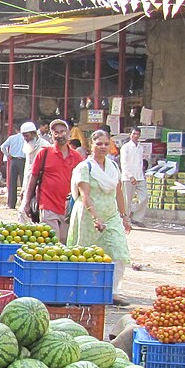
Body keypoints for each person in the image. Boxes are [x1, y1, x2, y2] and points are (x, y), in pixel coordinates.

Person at [69, 129, 132, 303]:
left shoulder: (113, 167)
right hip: (88, 217)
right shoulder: (85, 168)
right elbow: (85, 195)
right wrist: (95, 218)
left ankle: (113, 292)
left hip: (111, 216)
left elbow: (118, 192)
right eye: (99, 144)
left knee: (119, 252)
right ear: (91, 145)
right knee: (85, 254)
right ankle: (84, 291)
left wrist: (124, 216)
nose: (103, 147)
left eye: (106, 144)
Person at [23, 118, 84, 243]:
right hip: (47, 205)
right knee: (51, 241)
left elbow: (82, 181)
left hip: (68, 207)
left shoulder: (77, 157)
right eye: (56, 133)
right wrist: (27, 202)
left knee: (65, 242)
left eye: (62, 132)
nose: (60, 135)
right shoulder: (44, 153)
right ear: (51, 135)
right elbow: (33, 178)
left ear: (69, 133)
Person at [1, 123, 35, 210]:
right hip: (23, 160)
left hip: (13, 161)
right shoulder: (27, 138)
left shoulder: (12, 138)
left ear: (16, 130)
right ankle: (25, 203)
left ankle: (11, 204)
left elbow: (2, 147)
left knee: (12, 183)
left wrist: (8, 155)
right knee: (25, 182)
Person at [119, 126, 147, 224]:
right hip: (128, 178)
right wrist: (130, 176)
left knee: (144, 197)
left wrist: (142, 174)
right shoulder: (126, 147)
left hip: (139, 176)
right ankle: (125, 220)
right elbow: (124, 163)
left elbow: (140, 163)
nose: (136, 136)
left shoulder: (140, 148)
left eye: (137, 134)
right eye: (134, 134)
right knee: (127, 200)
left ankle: (137, 218)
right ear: (130, 135)